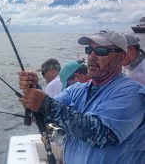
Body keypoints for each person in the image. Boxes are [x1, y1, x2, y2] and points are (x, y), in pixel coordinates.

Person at [18, 30, 145, 164]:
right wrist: (34, 91)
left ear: (120, 57)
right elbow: (45, 116)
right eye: (89, 50)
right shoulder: (76, 90)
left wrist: (46, 104)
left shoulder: (132, 93)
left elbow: (102, 135)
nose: (92, 56)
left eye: (101, 51)